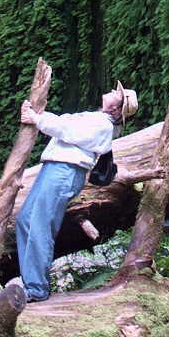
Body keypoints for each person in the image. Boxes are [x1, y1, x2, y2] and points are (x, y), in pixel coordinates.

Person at [15, 80, 138, 302]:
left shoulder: (104, 126)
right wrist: (35, 115)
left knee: (40, 224)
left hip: (65, 172)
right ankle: (30, 282)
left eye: (116, 93)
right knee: (25, 219)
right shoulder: (96, 118)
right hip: (54, 168)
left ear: (116, 108)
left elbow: (67, 130)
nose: (111, 91)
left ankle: (36, 289)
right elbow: (63, 122)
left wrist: (36, 119)